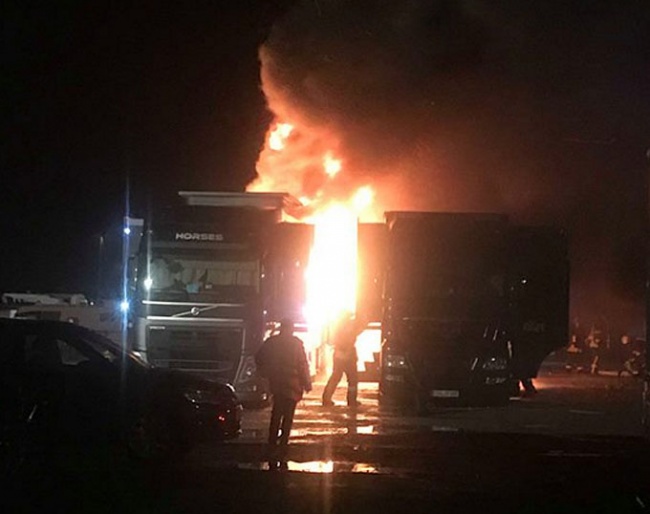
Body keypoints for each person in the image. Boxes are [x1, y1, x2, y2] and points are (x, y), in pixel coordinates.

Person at [255, 318, 311, 457]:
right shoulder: (296, 344)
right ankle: (284, 443)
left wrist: (265, 372)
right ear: (291, 328)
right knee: (288, 416)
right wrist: (306, 383)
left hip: (277, 384)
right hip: (292, 386)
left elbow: (259, 357)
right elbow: (302, 365)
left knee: (276, 413)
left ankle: (272, 441)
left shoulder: (272, 342)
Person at [322, 314, 362, 407]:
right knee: (352, 379)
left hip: (338, 356)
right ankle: (352, 400)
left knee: (335, 378)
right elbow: (356, 333)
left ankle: (326, 398)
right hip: (348, 357)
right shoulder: (350, 327)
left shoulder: (337, 327)